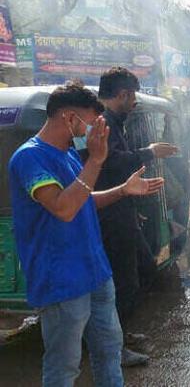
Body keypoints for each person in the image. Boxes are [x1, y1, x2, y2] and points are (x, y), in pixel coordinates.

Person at [8, 83, 164, 386]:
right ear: (68, 118)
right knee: (64, 366)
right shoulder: (30, 158)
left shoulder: (66, 155)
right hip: (62, 279)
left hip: (96, 273)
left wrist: (122, 190)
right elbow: (63, 208)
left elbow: (82, 200)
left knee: (108, 351)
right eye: (89, 123)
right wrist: (94, 161)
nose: (92, 131)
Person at [94, 67, 177, 366]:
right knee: (125, 281)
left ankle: (120, 334)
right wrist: (150, 152)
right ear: (123, 94)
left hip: (123, 209)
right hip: (110, 214)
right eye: (132, 97)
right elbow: (112, 164)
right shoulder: (102, 123)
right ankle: (112, 349)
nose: (134, 104)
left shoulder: (114, 122)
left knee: (143, 269)